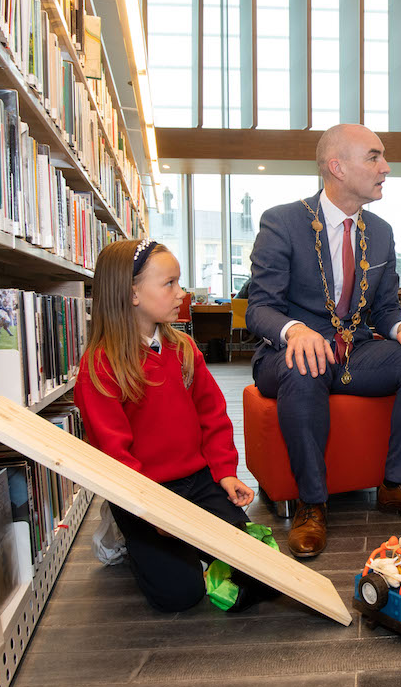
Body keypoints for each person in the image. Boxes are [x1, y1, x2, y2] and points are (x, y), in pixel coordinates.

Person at [246, 124, 401, 559]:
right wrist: (295, 331)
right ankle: (312, 504)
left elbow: (384, 307)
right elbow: (259, 308)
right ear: (337, 167)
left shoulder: (379, 231)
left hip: (354, 353)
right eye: (375, 157)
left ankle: (397, 485)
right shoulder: (282, 221)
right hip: (290, 354)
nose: (386, 167)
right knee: (306, 365)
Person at [75, 238, 267, 612]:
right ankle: (127, 536)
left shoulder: (183, 350)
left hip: (198, 480)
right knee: (179, 595)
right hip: (145, 492)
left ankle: (192, 543)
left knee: (259, 571)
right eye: (170, 284)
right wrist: (151, 511)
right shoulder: (100, 366)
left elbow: (212, 415)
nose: (182, 293)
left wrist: (225, 473)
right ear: (132, 294)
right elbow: (112, 453)